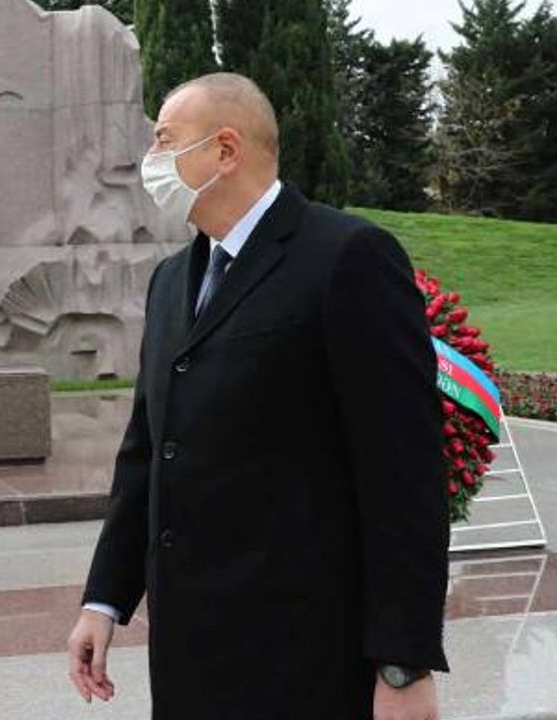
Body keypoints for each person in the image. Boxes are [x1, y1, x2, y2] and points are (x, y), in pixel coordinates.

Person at [66, 73, 449, 720]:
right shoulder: (170, 281)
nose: (151, 159)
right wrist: (103, 600)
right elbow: (148, 452)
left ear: (225, 150)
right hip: (190, 656)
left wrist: (403, 662)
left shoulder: (347, 258)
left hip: (304, 654)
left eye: (165, 140)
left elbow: (403, 473)